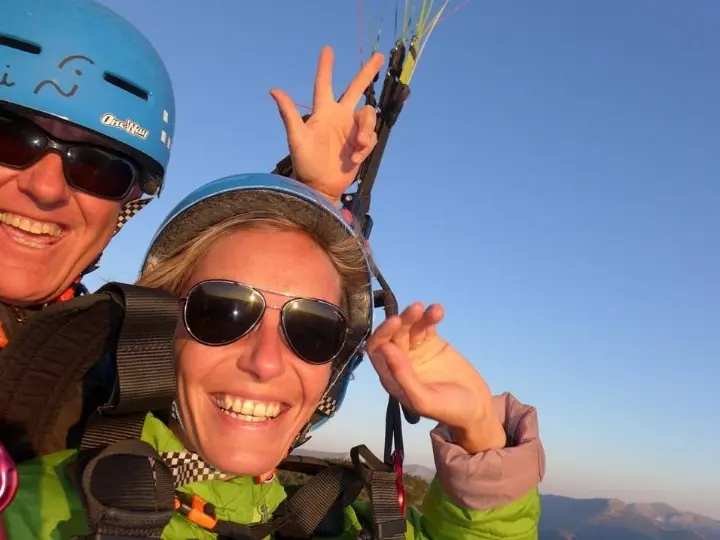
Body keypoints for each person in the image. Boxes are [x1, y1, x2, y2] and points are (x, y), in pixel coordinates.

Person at [1, 172, 544, 539]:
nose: (265, 361)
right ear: (156, 331)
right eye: (222, 312)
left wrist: (478, 430)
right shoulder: (38, 511)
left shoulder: (321, 517)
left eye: (311, 330)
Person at [0, 0, 384, 453]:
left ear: (128, 204)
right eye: (9, 139)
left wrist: (316, 195)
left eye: (99, 168)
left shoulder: (104, 363)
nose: (46, 188)